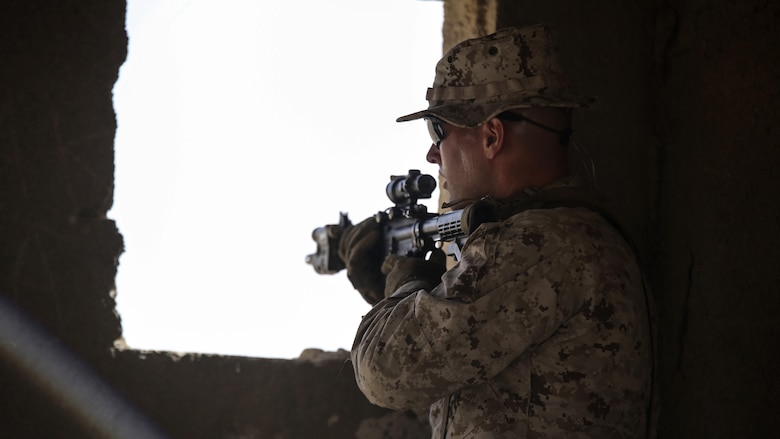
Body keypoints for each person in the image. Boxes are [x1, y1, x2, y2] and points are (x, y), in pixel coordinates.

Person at [338, 24, 657, 438]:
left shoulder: (538, 245)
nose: (432, 152)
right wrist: (396, 295)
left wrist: (404, 288)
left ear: (492, 135)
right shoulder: (573, 237)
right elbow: (461, 400)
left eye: (439, 130)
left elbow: (384, 371)